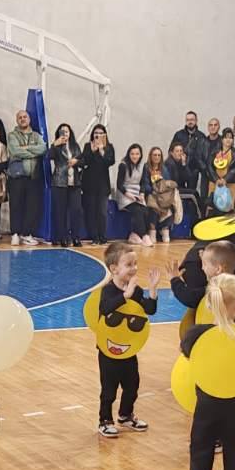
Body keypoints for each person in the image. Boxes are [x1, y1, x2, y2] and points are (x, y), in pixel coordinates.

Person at [182, 276, 235, 470]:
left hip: (206, 402)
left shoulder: (197, 335)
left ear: (209, 305)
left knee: (201, 447)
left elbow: (186, 353)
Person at [94, 242, 159, 437]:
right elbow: (105, 308)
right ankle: (105, 420)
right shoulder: (108, 291)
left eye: (135, 263)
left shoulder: (136, 290)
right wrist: (125, 295)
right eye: (129, 264)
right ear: (114, 269)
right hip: (108, 350)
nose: (134, 268)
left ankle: (125, 415)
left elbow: (150, 310)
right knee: (109, 389)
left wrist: (153, 290)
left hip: (129, 349)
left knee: (132, 385)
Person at [7, 110, 45, 246]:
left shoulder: (36, 135)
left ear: (29, 119)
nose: (23, 119)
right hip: (16, 176)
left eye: (25, 117)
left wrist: (26, 148)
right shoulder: (12, 135)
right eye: (20, 117)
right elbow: (15, 151)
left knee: (32, 206)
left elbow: (43, 149)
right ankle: (15, 234)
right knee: (16, 205)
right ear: (17, 120)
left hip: (33, 177)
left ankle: (27, 234)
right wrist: (33, 151)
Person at [48, 123, 84, 247]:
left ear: (70, 133)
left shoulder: (75, 146)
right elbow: (49, 156)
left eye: (67, 131)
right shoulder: (56, 146)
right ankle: (62, 237)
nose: (65, 134)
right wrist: (54, 145)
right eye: (62, 131)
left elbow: (82, 161)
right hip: (60, 182)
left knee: (76, 210)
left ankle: (76, 237)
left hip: (74, 183)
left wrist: (76, 162)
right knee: (60, 211)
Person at [80, 124, 116, 245]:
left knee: (102, 212)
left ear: (105, 135)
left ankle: (102, 235)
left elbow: (110, 162)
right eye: (96, 133)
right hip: (89, 184)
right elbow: (84, 161)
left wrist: (101, 150)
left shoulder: (109, 147)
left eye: (101, 133)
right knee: (91, 212)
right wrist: (92, 150)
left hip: (103, 185)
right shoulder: (87, 146)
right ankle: (94, 236)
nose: (98, 135)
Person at [115, 143, 151, 244]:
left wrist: (142, 194)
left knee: (145, 211)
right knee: (137, 210)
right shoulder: (123, 165)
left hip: (137, 192)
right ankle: (144, 235)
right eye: (132, 154)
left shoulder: (143, 166)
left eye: (137, 154)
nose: (135, 156)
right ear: (129, 154)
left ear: (140, 155)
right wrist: (128, 195)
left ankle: (134, 234)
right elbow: (119, 184)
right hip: (125, 194)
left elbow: (143, 182)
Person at [142, 146, 179, 243]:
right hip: (151, 193)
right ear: (150, 156)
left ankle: (165, 229)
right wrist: (153, 190)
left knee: (168, 205)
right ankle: (152, 230)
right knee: (153, 206)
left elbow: (167, 183)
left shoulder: (164, 168)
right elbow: (145, 183)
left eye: (159, 155)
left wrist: (161, 192)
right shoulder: (146, 167)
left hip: (163, 195)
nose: (157, 157)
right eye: (154, 155)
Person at [206, 129, 235, 212]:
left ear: (233, 140)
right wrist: (216, 179)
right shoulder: (214, 151)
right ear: (222, 139)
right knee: (213, 208)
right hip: (215, 183)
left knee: (227, 208)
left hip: (229, 184)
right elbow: (209, 166)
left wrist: (225, 179)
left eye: (230, 138)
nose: (228, 140)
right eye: (226, 137)